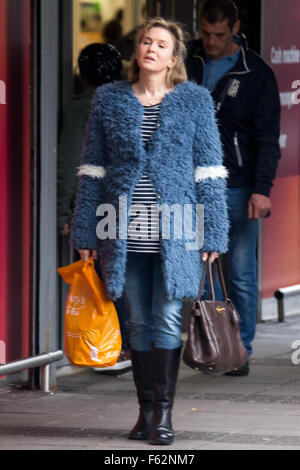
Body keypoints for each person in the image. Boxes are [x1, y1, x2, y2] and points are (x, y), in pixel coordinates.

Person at [71, 17, 229, 445]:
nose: (152, 49)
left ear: (174, 57)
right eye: (145, 41)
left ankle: (162, 417)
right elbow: (92, 171)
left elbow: (210, 171)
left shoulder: (194, 100)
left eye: (161, 44)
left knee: (165, 317)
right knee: (137, 323)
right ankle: (143, 414)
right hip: (121, 231)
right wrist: (86, 231)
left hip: (176, 232)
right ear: (136, 51)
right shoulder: (109, 99)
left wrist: (213, 231)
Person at [186, 0, 281, 375]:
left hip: (238, 185)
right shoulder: (189, 62)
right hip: (193, 184)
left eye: (220, 35)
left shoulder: (255, 72)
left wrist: (262, 189)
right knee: (202, 270)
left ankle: (240, 350)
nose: (211, 42)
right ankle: (214, 344)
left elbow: (267, 138)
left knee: (240, 271)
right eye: (206, 34)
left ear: (235, 28)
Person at [57, 43, 131, 371]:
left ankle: (105, 345)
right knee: (119, 273)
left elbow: (71, 161)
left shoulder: (79, 108)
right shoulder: (129, 102)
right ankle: (125, 345)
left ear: (82, 75)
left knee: (96, 276)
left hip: (92, 203)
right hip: (124, 202)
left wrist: (64, 212)